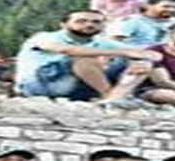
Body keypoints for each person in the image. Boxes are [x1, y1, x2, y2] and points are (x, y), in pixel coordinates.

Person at [15, 10, 158, 102]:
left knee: (142, 63)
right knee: (84, 58)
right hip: (40, 85)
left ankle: (114, 98)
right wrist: (122, 53)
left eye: (96, 22)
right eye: (81, 21)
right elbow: (67, 50)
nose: (89, 24)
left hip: (79, 88)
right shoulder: (44, 37)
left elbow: (151, 55)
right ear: (64, 24)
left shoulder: (101, 41)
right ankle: (110, 96)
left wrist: (142, 58)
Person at [109, 0, 175, 47]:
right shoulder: (131, 21)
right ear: (149, 6)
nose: (172, 10)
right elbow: (114, 42)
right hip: (132, 58)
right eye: (166, 6)